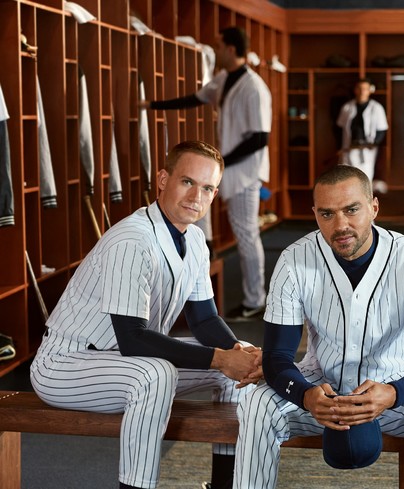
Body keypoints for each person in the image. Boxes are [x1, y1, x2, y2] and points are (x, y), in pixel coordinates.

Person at [30, 141, 263, 489]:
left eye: (207, 187)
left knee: (235, 364)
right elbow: (132, 338)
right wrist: (219, 358)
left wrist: (238, 356)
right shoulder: (132, 239)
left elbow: (203, 320)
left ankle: (224, 484)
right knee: (155, 374)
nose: (196, 195)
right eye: (187, 182)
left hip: (125, 362)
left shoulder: (195, 239)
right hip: (67, 364)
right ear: (163, 179)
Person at [233, 164, 404, 489]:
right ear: (315, 214)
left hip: (395, 391)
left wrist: (393, 393)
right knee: (257, 403)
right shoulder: (293, 260)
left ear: (374, 207)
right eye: (327, 214)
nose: (340, 225)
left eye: (351, 210)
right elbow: (276, 357)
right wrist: (306, 396)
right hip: (319, 391)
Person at [141, 26, 272, 322]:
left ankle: (257, 300)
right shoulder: (225, 80)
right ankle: (194, 289)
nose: (215, 51)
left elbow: (260, 138)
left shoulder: (255, 87)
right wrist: (150, 105)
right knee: (198, 218)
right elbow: (195, 99)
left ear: (230, 48)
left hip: (245, 173)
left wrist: (220, 162)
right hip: (222, 171)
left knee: (246, 233)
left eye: (218, 46)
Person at [336, 78, 388, 191]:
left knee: (364, 181)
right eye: (359, 88)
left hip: (366, 150)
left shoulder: (377, 108)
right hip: (348, 148)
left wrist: (373, 143)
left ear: (369, 90)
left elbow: (382, 130)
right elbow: (339, 129)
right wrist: (339, 147)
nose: (362, 91)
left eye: (365, 89)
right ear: (355, 90)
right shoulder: (347, 107)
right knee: (346, 180)